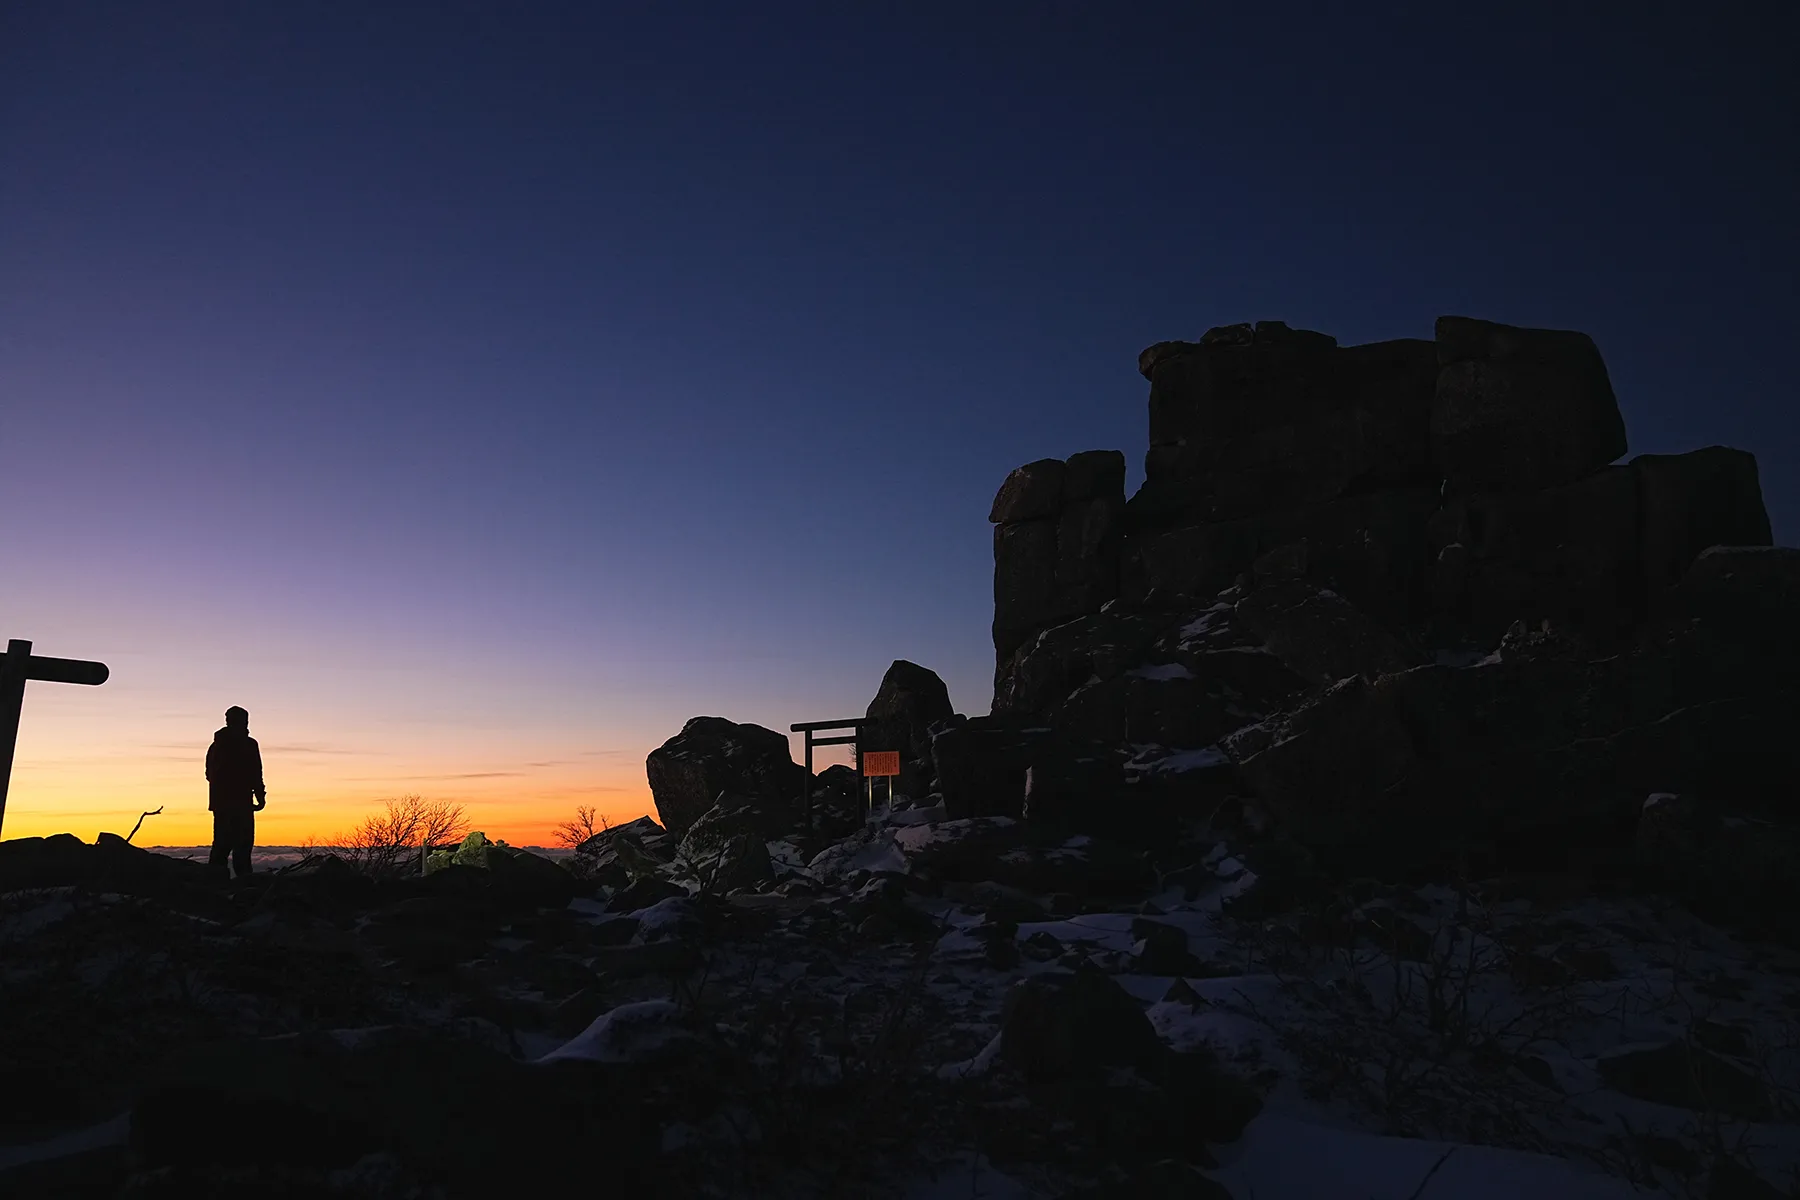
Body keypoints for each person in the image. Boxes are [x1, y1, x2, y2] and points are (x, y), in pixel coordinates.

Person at [206, 705, 265, 881]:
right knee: (240, 846)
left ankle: (216, 882)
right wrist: (259, 796)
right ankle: (242, 882)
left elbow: (209, 775)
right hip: (238, 803)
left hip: (223, 803)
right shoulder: (248, 745)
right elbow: (256, 772)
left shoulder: (216, 746)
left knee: (224, 845)